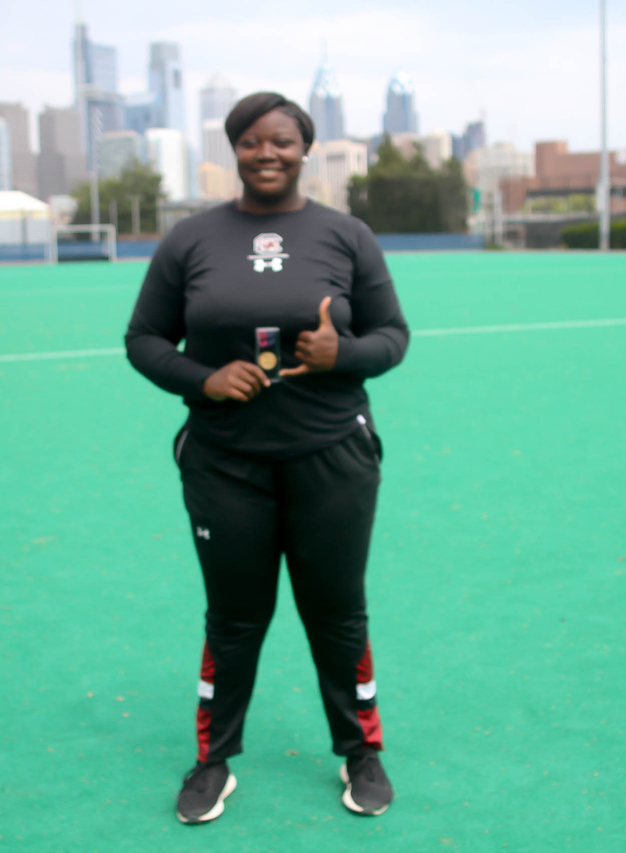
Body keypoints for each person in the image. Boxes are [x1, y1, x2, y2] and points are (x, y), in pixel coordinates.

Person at [124, 92, 409, 824]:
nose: (268, 153)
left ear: (304, 148)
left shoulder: (346, 235)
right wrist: (204, 378)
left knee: (338, 613)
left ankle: (361, 751)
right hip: (226, 461)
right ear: (235, 150)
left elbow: (393, 336)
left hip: (332, 455)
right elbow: (145, 339)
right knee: (234, 617)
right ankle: (213, 761)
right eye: (252, 141)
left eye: (282, 140)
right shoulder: (191, 239)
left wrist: (341, 352)